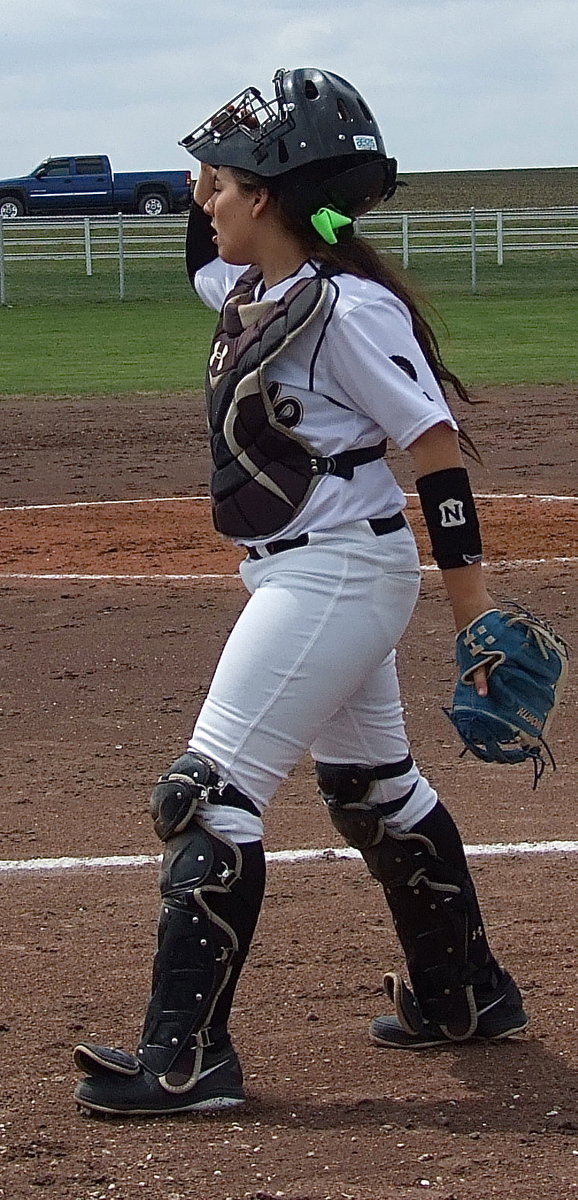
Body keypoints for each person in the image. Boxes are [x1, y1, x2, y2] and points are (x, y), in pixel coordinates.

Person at [73, 67, 528, 1117]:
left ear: (269, 197)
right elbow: (205, 251)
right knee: (370, 787)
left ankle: (185, 1061)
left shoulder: (345, 309)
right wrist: (219, 165)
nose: (206, 201)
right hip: (311, 571)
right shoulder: (256, 292)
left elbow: (434, 450)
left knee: (207, 794)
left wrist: (473, 615)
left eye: (224, 186)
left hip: (337, 573)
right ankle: (463, 995)